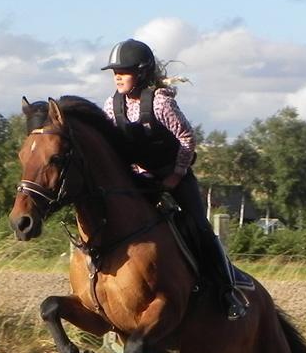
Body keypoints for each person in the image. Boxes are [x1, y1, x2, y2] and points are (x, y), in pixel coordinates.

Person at [100, 38, 248, 320]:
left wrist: (175, 175)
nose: (117, 76)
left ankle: (227, 290)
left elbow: (186, 139)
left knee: (199, 227)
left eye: (124, 71)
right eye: (115, 72)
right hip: (138, 181)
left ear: (141, 72)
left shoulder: (160, 102)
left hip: (173, 177)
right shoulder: (111, 104)